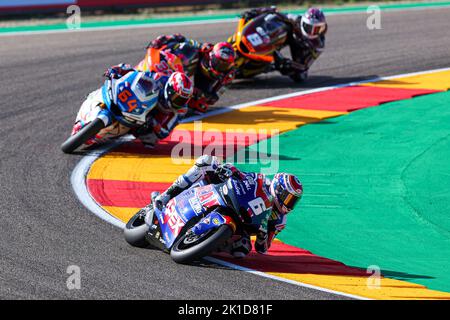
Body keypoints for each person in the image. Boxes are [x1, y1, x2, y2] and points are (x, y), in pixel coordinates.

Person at [152, 155, 303, 258]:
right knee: (206, 161)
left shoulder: (280, 221)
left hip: (241, 226)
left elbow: (262, 249)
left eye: (293, 200)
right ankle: (166, 195)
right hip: (228, 197)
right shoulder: (262, 181)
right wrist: (230, 170)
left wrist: (262, 236)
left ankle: (207, 245)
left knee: (242, 250)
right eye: (288, 198)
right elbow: (242, 175)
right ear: (279, 189)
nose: (289, 203)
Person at [72, 63, 193, 148]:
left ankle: (99, 136)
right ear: (170, 89)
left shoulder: (180, 110)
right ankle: (89, 114)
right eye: (177, 97)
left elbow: (165, 131)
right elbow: (138, 75)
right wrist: (119, 70)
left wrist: (154, 124)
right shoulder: (159, 79)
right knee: (108, 89)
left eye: (182, 100)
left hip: (146, 122)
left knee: (150, 140)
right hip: (135, 104)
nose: (178, 102)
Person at [139, 34, 236, 113]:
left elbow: (210, 100)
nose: (220, 67)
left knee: (199, 106)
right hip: (160, 69)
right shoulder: (194, 51)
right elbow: (180, 38)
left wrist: (197, 94)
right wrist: (160, 42)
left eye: (224, 65)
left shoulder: (225, 75)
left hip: (176, 88)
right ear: (210, 56)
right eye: (218, 62)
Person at [240, 6, 327, 82]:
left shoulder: (318, 44)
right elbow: (275, 12)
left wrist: (288, 63)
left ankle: (271, 66)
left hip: (300, 48)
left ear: (322, 28)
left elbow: (305, 65)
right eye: (309, 27)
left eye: (317, 29)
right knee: (275, 21)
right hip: (287, 37)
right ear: (303, 21)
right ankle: (265, 45)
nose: (311, 32)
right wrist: (257, 11)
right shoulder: (296, 19)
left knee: (300, 76)